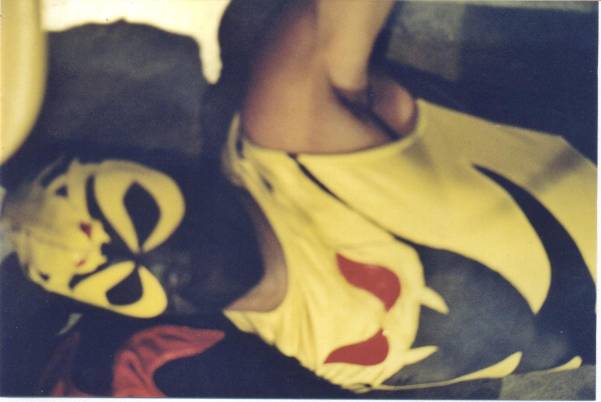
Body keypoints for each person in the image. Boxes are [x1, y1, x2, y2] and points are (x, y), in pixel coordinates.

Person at [1, 0, 595, 395]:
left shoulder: (292, 132)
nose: (146, 258)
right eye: (104, 277)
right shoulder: (283, 348)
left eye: (134, 211)